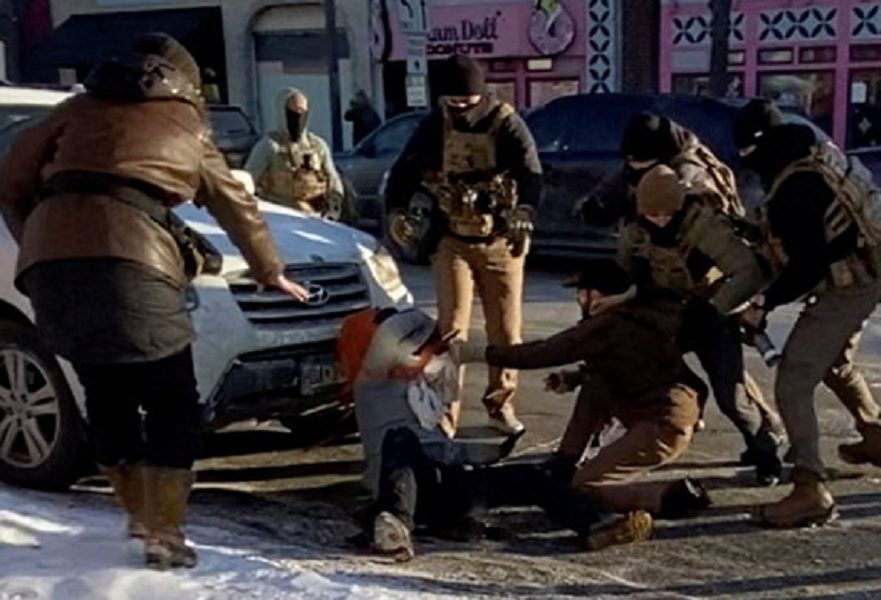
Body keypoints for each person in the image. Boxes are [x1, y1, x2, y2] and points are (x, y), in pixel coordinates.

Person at [0, 33, 309, 569]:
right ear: (184, 79)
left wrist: (39, 243)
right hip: (133, 259)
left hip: (51, 267)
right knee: (173, 399)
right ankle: (163, 530)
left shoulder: (75, 109)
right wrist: (270, 270)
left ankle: (139, 518)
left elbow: (9, 182)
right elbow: (234, 200)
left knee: (106, 389)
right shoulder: (186, 120)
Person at [340, 307, 656, 561]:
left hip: (445, 488)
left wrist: (466, 349)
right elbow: (396, 342)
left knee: (532, 477)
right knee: (400, 439)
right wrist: (484, 452)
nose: (432, 355)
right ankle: (394, 526)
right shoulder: (372, 384)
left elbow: (463, 353)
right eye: (421, 349)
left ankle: (594, 525)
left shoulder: (422, 387)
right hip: (404, 489)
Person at [461, 260, 710, 518]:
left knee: (584, 488)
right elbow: (633, 365)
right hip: (671, 410)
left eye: (581, 293)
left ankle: (671, 497)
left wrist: (479, 353)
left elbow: (545, 351)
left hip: (660, 426)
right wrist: (576, 377)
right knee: (595, 385)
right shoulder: (641, 316)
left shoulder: (610, 325)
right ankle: (565, 462)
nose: (578, 299)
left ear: (596, 295)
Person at [734, 98, 881, 527]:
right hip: (870, 265)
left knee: (794, 378)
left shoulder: (794, 189)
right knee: (833, 362)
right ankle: (875, 434)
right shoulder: (813, 154)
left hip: (854, 282)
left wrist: (762, 304)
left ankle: (809, 488)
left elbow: (808, 266)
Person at [385, 54, 542, 436]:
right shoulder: (434, 124)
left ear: (481, 94)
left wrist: (525, 209)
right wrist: (396, 210)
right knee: (451, 330)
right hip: (452, 240)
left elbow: (531, 172)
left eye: (465, 101)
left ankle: (500, 405)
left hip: (499, 242)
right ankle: (444, 414)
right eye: (451, 100)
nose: (458, 108)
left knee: (506, 333)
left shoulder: (506, 123)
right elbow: (404, 171)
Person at [617, 164, 784, 485]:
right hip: (666, 319)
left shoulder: (704, 226)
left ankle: (765, 452)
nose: (660, 220)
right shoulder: (634, 232)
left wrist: (714, 307)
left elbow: (748, 271)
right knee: (632, 374)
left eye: (667, 214)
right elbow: (622, 276)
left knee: (732, 398)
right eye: (652, 215)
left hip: (711, 319)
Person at [245, 89, 347, 220]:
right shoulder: (269, 147)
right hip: (281, 217)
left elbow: (332, 177)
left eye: (302, 113)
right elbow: (247, 180)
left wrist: (334, 205)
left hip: (315, 218)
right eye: (292, 112)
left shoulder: (318, 146)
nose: (298, 118)